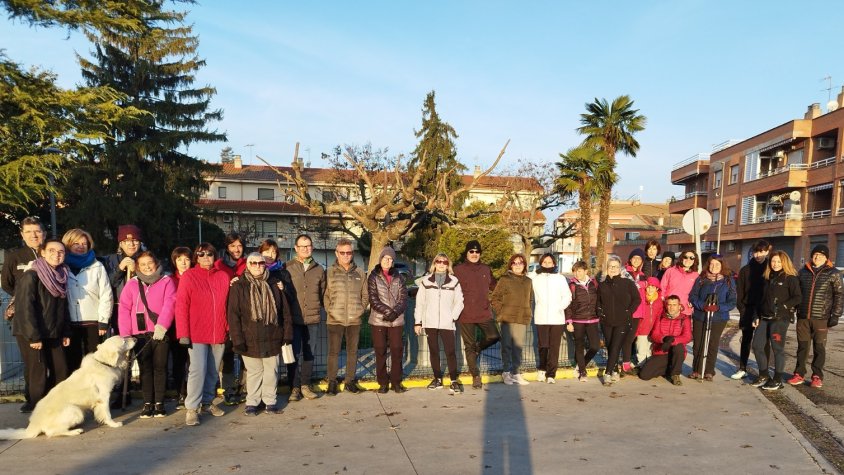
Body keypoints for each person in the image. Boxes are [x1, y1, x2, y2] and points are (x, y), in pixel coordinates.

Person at [227, 253, 293, 415]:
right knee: (254, 372)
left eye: (261, 263)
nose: (257, 266)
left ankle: (270, 401)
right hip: (249, 337)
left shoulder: (274, 283)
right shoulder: (239, 286)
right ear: (247, 265)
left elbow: (285, 311)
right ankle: (252, 402)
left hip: (273, 335)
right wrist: (237, 339)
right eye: (253, 263)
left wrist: (287, 334)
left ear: (265, 264)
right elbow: (233, 315)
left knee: (272, 371)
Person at [175, 243, 230, 426]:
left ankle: (207, 402)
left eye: (210, 254)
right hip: (196, 331)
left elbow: (228, 305)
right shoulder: (189, 276)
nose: (206, 258)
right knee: (197, 370)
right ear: (196, 258)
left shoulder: (223, 276)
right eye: (201, 254)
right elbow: (181, 305)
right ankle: (192, 407)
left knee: (213, 371)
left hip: (218, 330)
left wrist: (229, 328)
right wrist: (183, 332)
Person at [12, 239, 71, 408]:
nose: (56, 254)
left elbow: (63, 307)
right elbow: (25, 309)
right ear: (42, 252)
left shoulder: (62, 275)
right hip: (32, 333)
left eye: (61, 252)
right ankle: (38, 411)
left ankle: (56, 407)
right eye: (52, 250)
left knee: (61, 369)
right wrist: (34, 337)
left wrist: (65, 331)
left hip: (54, 331)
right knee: (38, 373)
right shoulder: (31, 275)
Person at [118, 252, 176, 418]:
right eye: (142, 264)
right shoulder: (132, 284)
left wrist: (163, 325)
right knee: (145, 369)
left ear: (156, 263)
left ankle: (159, 402)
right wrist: (125, 334)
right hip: (139, 334)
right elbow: (124, 309)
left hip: (159, 332)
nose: (147, 267)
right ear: (137, 267)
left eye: (149, 263)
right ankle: (147, 402)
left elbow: (170, 303)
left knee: (160, 367)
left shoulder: (166, 281)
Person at [2, 217, 46, 413]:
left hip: (48, 316)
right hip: (25, 318)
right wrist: (23, 298)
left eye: (37, 231)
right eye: (28, 232)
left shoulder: (50, 252)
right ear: (22, 234)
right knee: (32, 361)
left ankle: (48, 397)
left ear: (43, 233)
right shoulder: (15, 256)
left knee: (49, 360)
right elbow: (7, 283)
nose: (33, 235)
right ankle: (33, 400)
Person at [787, 245, 843, 389]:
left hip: (821, 318)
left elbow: (839, 295)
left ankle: (817, 376)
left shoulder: (834, 273)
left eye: (821, 255)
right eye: (815, 254)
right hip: (803, 317)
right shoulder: (803, 272)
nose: (817, 257)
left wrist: (835, 315)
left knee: (819, 348)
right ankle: (799, 374)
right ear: (812, 256)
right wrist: (792, 311)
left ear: (826, 258)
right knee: (802, 347)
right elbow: (796, 294)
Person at [749, 251, 801, 391]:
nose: (775, 264)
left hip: (779, 319)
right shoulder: (766, 277)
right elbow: (759, 300)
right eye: (773, 261)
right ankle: (764, 375)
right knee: (757, 346)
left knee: (777, 349)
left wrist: (783, 306)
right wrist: (756, 316)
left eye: (778, 261)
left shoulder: (790, 278)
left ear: (784, 262)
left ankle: (778, 379)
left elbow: (797, 297)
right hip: (764, 318)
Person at [63, 229, 113, 372]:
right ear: (68, 244)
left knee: (95, 361)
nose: (81, 246)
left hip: (93, 322)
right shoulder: (62, 266)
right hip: (70, 322)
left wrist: (103, 321)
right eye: (76, 243)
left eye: (84, 243)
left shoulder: (97, 266)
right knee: (73, 361)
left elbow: (106, 294)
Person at [285, 234, 326, 401]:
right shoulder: (287, 267)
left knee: (309, 353)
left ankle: (305, 385)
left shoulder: (319, 269)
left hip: (312, 319)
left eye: (308, 246)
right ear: (296, 248)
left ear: (312, 247)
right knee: (293, 354)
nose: (305, 249)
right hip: (294, 320)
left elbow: (323, 292)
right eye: (302, 246)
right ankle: (294, 388)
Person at [453, 240, 500, 389]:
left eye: (477, 252)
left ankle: (479, 347)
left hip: (484, 312)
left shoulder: (486, 269)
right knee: (469, 346)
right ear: (467, 253)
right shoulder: (458, 269)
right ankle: (476, 376)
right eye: (471, 252)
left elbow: (496, 286)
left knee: (494, 336)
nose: (474, 254)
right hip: (465, 313)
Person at [415, 253, 465, 392]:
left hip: (447, 323)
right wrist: (417, 322)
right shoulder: (426, 281)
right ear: (434, 263)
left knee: (450, 352)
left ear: (448, 265)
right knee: (434, 351)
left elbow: (459, 302)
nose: (441, 264)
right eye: (439, 261)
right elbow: (420, 303)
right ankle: (437, 379)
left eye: (444, 262)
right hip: (430, 323)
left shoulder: (454, 281)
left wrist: (452, 317)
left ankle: (454, 380)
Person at [324, 239, 368, 395]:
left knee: (352, 352)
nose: (345, 255)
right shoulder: (329, 272)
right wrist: (330, 310)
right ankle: (332, 382)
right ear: (337, 253)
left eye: (348, 252)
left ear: (352, 253)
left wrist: (360, 310)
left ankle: (350, 381)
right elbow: (326, 294)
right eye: (342, 252)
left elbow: (365, 295)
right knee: (333, 352)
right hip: (335, 319)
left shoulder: (360, 272)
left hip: (354, 320)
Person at [688, 255, 737, 381]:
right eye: (712, 264)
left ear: (722, 266)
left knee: (712, 344)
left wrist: (719, 307)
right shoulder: (701, 279)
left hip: (718, 318)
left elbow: (732, 301)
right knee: (698, 343)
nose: (714, 267)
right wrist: (702, 305)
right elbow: (693, 296)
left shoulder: (728, 280)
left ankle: (709, 370)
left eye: (717, 264)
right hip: (700, 315)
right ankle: (697, 369)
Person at [368, 246, 408, 393]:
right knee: (380, 351)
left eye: (391, 259)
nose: (388, 261)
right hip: (379, 320)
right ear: (380, 259)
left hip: (396, 320)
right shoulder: (373, 277)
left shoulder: (399, 277)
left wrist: (394, 312)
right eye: (386, 258)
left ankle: (396, 382)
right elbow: (373, 298)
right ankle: (383, 382)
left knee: (397, 350)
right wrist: (387, 311)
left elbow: (403, 299)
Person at [597, 255, 641, 385]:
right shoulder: (602, 284)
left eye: (616, 266)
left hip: (623, 321)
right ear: (607, 268)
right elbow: (598, 301)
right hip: (607, 321)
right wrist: (600, 312)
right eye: (611, 266)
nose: (613, 269)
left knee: (616, 346)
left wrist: (629, 311)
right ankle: (615, 369)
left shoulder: (627, 283)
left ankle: (608, 373)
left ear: (620, 268)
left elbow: (637, 299)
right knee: (611, 347)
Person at [491, 254, 532, 386]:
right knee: (507, 346)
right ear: (511, 265)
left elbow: (530, 299)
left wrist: (528, 312)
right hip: (507, 318)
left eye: (520, 263)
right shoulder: (505, 279)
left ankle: (516, 372)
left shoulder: (528, 281)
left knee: (518, 347)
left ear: (524, 265)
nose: (518, 265)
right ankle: (506, 372)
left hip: (521, 317)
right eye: (514, 263)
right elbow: (495, 298)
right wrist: (501, 312)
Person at [530, 253, 572, 384]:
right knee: (543, 345)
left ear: (554, 264)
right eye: (544, 262)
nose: (547, 264)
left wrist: (559, 307)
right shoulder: (535, 278)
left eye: (550, 262)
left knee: (554, 346)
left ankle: (551, 374)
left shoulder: (560, 279)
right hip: (541, 316)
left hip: (557, 318)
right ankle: (542, 369)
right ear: (541, 263)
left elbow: (567, 296)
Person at [733, 240, 772, 380]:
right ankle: (742, 368)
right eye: (756, 252)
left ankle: (764, 370)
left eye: (761, 251)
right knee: (746, 340)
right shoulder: (745, 270)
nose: (758, 255)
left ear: (767, 251)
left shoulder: (770, 269)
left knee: (764, 342)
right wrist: (742, 310)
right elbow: (740, 292)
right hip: (748, 310)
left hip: (764, 310)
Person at [638, 295, 691, 385]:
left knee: (679, 347)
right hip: (662, 350)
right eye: (669, 304)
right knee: (644, 375)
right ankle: (669, 369)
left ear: (679, 306)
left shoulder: (684, 318)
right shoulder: (661, 317)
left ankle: (675, 374)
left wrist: (672, 340)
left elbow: (687, 336)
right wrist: (664, 339)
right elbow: (654, 334)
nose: (671, 307)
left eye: (674, 305)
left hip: (676, 352)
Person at [565, 261, 600, 382]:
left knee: (595, 346)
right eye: (574, 271)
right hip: (577, 320)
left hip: (593, 319)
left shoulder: (594, 283)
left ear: (586, 271)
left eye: (579, 270)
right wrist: (569, 322)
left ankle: (581, 365)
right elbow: (568, 305)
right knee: (579, 346)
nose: (576, 273)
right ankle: (583, 372)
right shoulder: (572, 286)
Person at [105, 224, 144, 331]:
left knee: (139, 339)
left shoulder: (146, 259)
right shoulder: (110, 260)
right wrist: (120, 268)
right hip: (119, 308)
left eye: (135, 240)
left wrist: (135, 271)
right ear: (121, 244)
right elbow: (109, 284)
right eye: (126, 241)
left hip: (140, 307)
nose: (131, 244)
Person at [168, 246, 192, 409]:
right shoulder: (169, 280)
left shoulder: (196, 277)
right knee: (178, 361)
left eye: (187, 259)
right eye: (179, 259)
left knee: (194, 363)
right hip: (175, 326)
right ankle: (180, 392)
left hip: (194, 325)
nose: (183, 263)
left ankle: (192, 391)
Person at [621, 249, 648, 375]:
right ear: (630, 259)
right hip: (627, 310)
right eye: (634, 258)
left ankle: (626, 362)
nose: (636, 260)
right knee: (624, 338)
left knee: (631, 338)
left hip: (638, 312)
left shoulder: (642, 275)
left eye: (639, 258)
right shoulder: (624, 272)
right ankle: (623, 363)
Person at [634, 277, 663, 366]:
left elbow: (659, 315)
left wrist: (656, 329)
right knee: (641, 349)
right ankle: (641, 365)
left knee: (649, 350)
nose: (650, 289)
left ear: (657, 288)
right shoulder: (641, 297)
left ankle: (648, 366)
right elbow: (636, 285)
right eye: (649, 287)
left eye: (653, 287)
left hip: (652, 330)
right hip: (642, 329)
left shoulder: (659, 301)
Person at [661, 251, 700, 320]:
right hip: (669, 308)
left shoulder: (696, 275)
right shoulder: (671, 271)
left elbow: (697, 292)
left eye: (692, 258)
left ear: (695, 260)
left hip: (685, 310)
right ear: (681, 258)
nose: (688, 260)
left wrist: (693, 302)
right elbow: (662, 287)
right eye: (686, 257)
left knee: (684, 330)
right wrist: (663, 300)